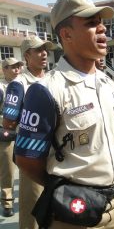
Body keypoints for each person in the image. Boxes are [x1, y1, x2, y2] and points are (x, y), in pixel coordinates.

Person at [14, 0, 114, 228]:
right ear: (66, 34)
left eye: (101, 22)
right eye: (91, 23)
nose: (102, 30)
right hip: (75, 212)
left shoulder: (108, 84)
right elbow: (26, 159)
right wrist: (65, 190)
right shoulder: (47, 90)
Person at [2, 36, 55, 229]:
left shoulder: (53, 78)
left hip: (56, 152)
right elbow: (8, 121)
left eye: (45, 50)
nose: (44, 54)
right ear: (26, 55)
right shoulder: (19, 84)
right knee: (32, 205)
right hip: (33, 153)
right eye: (38, 50)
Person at [0, 58, 23, 217]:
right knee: (7, 170)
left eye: (18, 67)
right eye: (13, 67)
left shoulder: (24, 84)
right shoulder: (1, 88)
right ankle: (7, 203)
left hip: (25, 132)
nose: (17, 70)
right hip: (6, 134)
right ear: (4, 69)